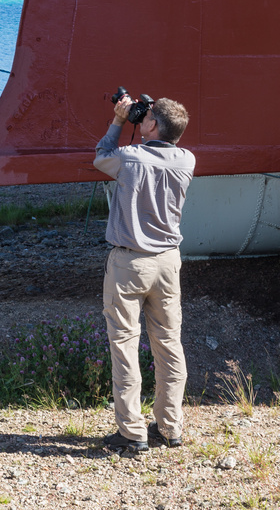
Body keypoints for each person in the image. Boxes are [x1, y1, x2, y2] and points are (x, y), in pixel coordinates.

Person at [94, 93, 195, 455]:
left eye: (147, 115)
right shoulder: (187, 159)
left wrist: (120, 120)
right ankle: (169, 427)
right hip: (168, 263)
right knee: (169, 344)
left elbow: (102, 157)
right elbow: (158, 147)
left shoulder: (130, 158)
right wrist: (146, 118)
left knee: (124, 344)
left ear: (151, 126)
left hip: (130, 262)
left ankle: (132, 431)